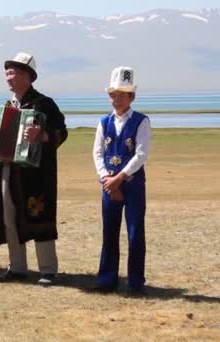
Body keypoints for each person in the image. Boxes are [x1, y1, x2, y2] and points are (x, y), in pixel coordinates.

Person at [0, 52, 68, 285]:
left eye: (14, 72)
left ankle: (48, 269)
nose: (9, 77)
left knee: (40, 217)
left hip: (37, 173)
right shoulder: (7, 106)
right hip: (9, 170)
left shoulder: (45, 104)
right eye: (7, 73)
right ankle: (17, 267)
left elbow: (62, 133)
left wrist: (41, 135)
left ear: (28, 76)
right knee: (9, 216)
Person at [93, 66, 151, 295]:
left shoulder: (141, 121)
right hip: (108, 184)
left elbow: (141, 154)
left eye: (122, 95)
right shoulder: (104, 122)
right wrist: (107, 179)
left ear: (131, 97)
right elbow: (97, 152)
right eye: (113, 95)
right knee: (109, 231)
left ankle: (135, 282)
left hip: (133, 183)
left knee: (135, 231)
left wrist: (120, 178)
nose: (116, 99)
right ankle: (107, 279)